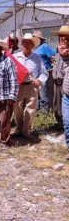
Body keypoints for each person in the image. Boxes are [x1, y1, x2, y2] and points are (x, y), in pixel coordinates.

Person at [13, 33, 48, 139]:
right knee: (17, 109)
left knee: (30, 110)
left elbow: (44, 73)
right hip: (18, 86)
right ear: (21, 44)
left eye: (28, 43)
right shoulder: (15, 57)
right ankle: (18, 129)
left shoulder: (37, 59)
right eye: (24, 42)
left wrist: (39, 80)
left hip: (31, 86)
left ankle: (26, 131)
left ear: (32, 45)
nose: (25, 45)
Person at [50, 24, 69, 159]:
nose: (62, 40)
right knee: (67, 121)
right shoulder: (60, 53)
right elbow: (61, 70)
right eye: (61, 37)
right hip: (66, 93)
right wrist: (63, 56)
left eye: (65, 37)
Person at [33, 30, 56, 113]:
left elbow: (55, 55)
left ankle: (44, 115)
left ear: (39, 39)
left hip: (44, 74)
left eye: (35, 38)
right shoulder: (35, 48)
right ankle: (39, 113)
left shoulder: (45, 46)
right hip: (36, 75)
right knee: (38, 95)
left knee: (43, 95)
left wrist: (53, 66)